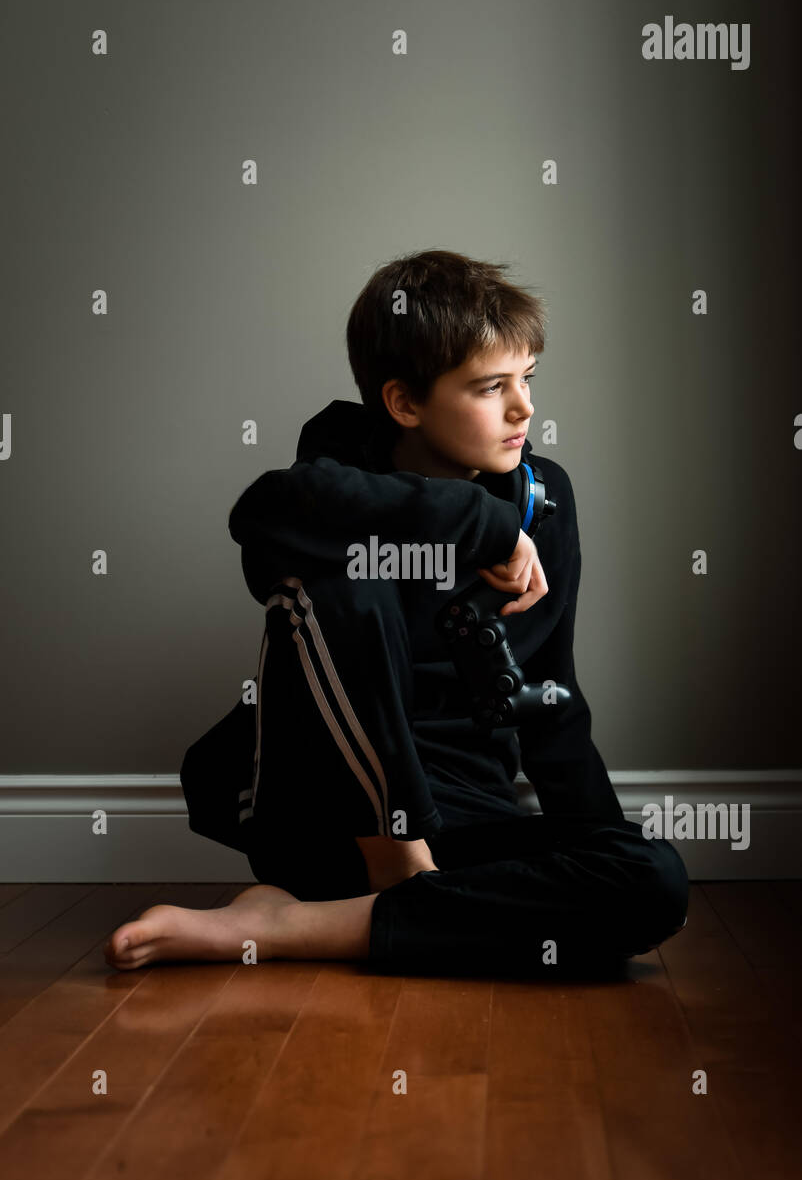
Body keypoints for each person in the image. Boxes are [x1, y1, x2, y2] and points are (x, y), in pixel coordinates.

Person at [105, 249, 688, 976]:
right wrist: (482, 523)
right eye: (490, 387)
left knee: (653, 880)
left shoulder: (546, 499)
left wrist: (598, 847)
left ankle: (286, 924)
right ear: (405, 404)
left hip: (464, 820)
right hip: (326, 823)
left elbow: (551, 698)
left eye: (527, 379)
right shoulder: (338, 473)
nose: (524, 409)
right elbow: (260, 512)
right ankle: (398, 868)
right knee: (350, 574)